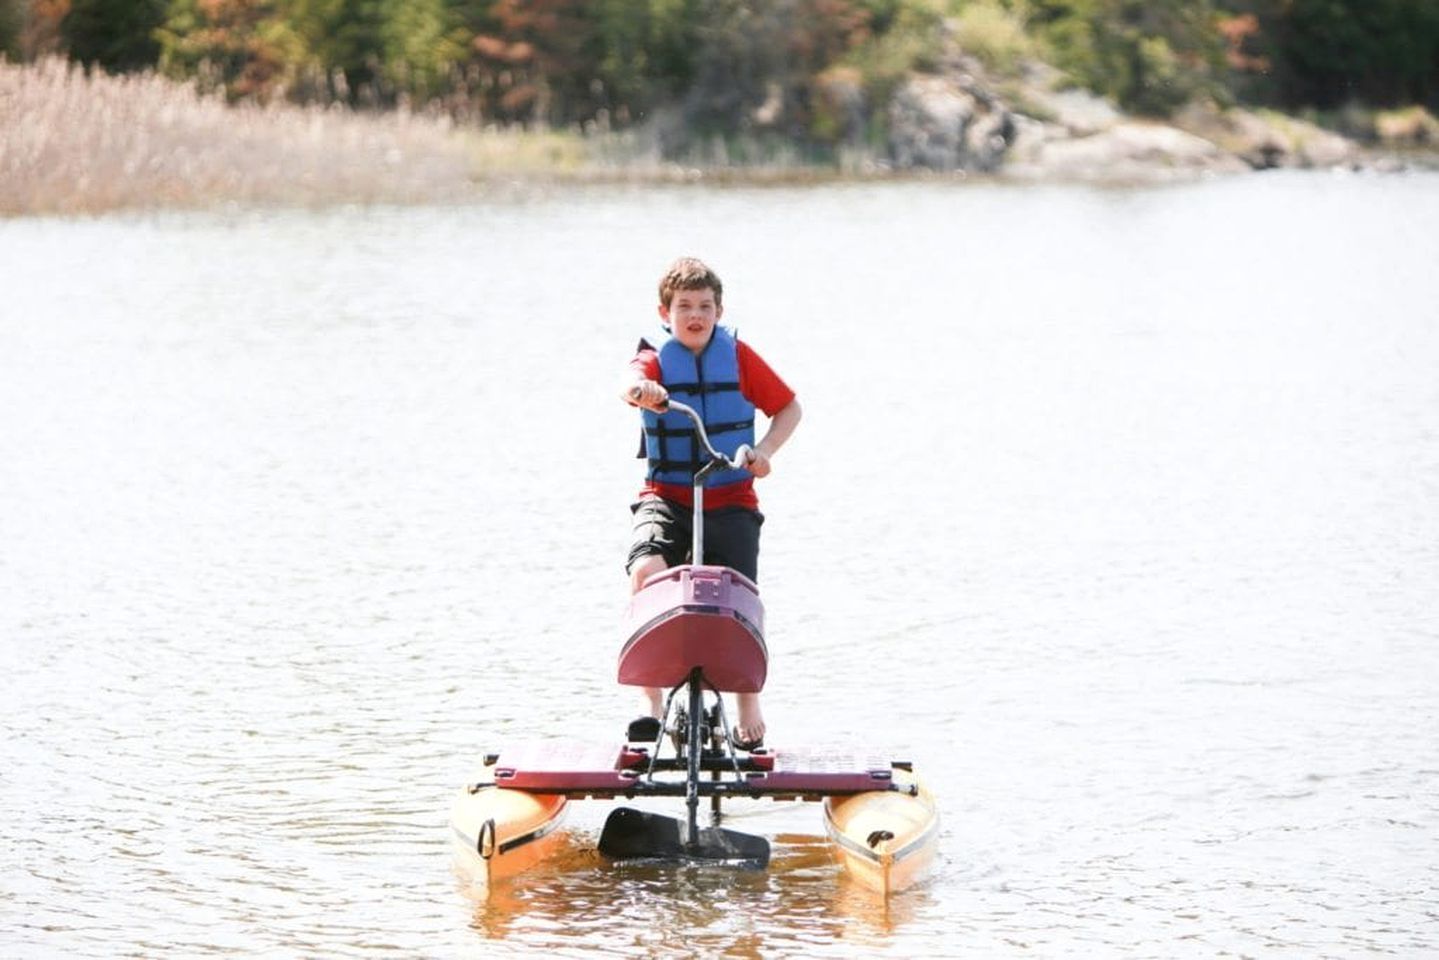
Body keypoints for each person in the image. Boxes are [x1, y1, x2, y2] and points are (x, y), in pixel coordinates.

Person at [621, 257, 802, 750]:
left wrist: (763, 452)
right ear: (666, 312)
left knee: (741, 598)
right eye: (684, 307)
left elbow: (789, 407)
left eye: (705, 306)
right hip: (667, 498)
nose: (695, 315)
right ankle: (650, 704)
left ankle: (747, 700)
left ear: (719, 311)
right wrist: (643, 391)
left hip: (730, 499)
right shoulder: (654, 358)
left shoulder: (738, 357)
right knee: (646, 571)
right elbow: (628, 384)